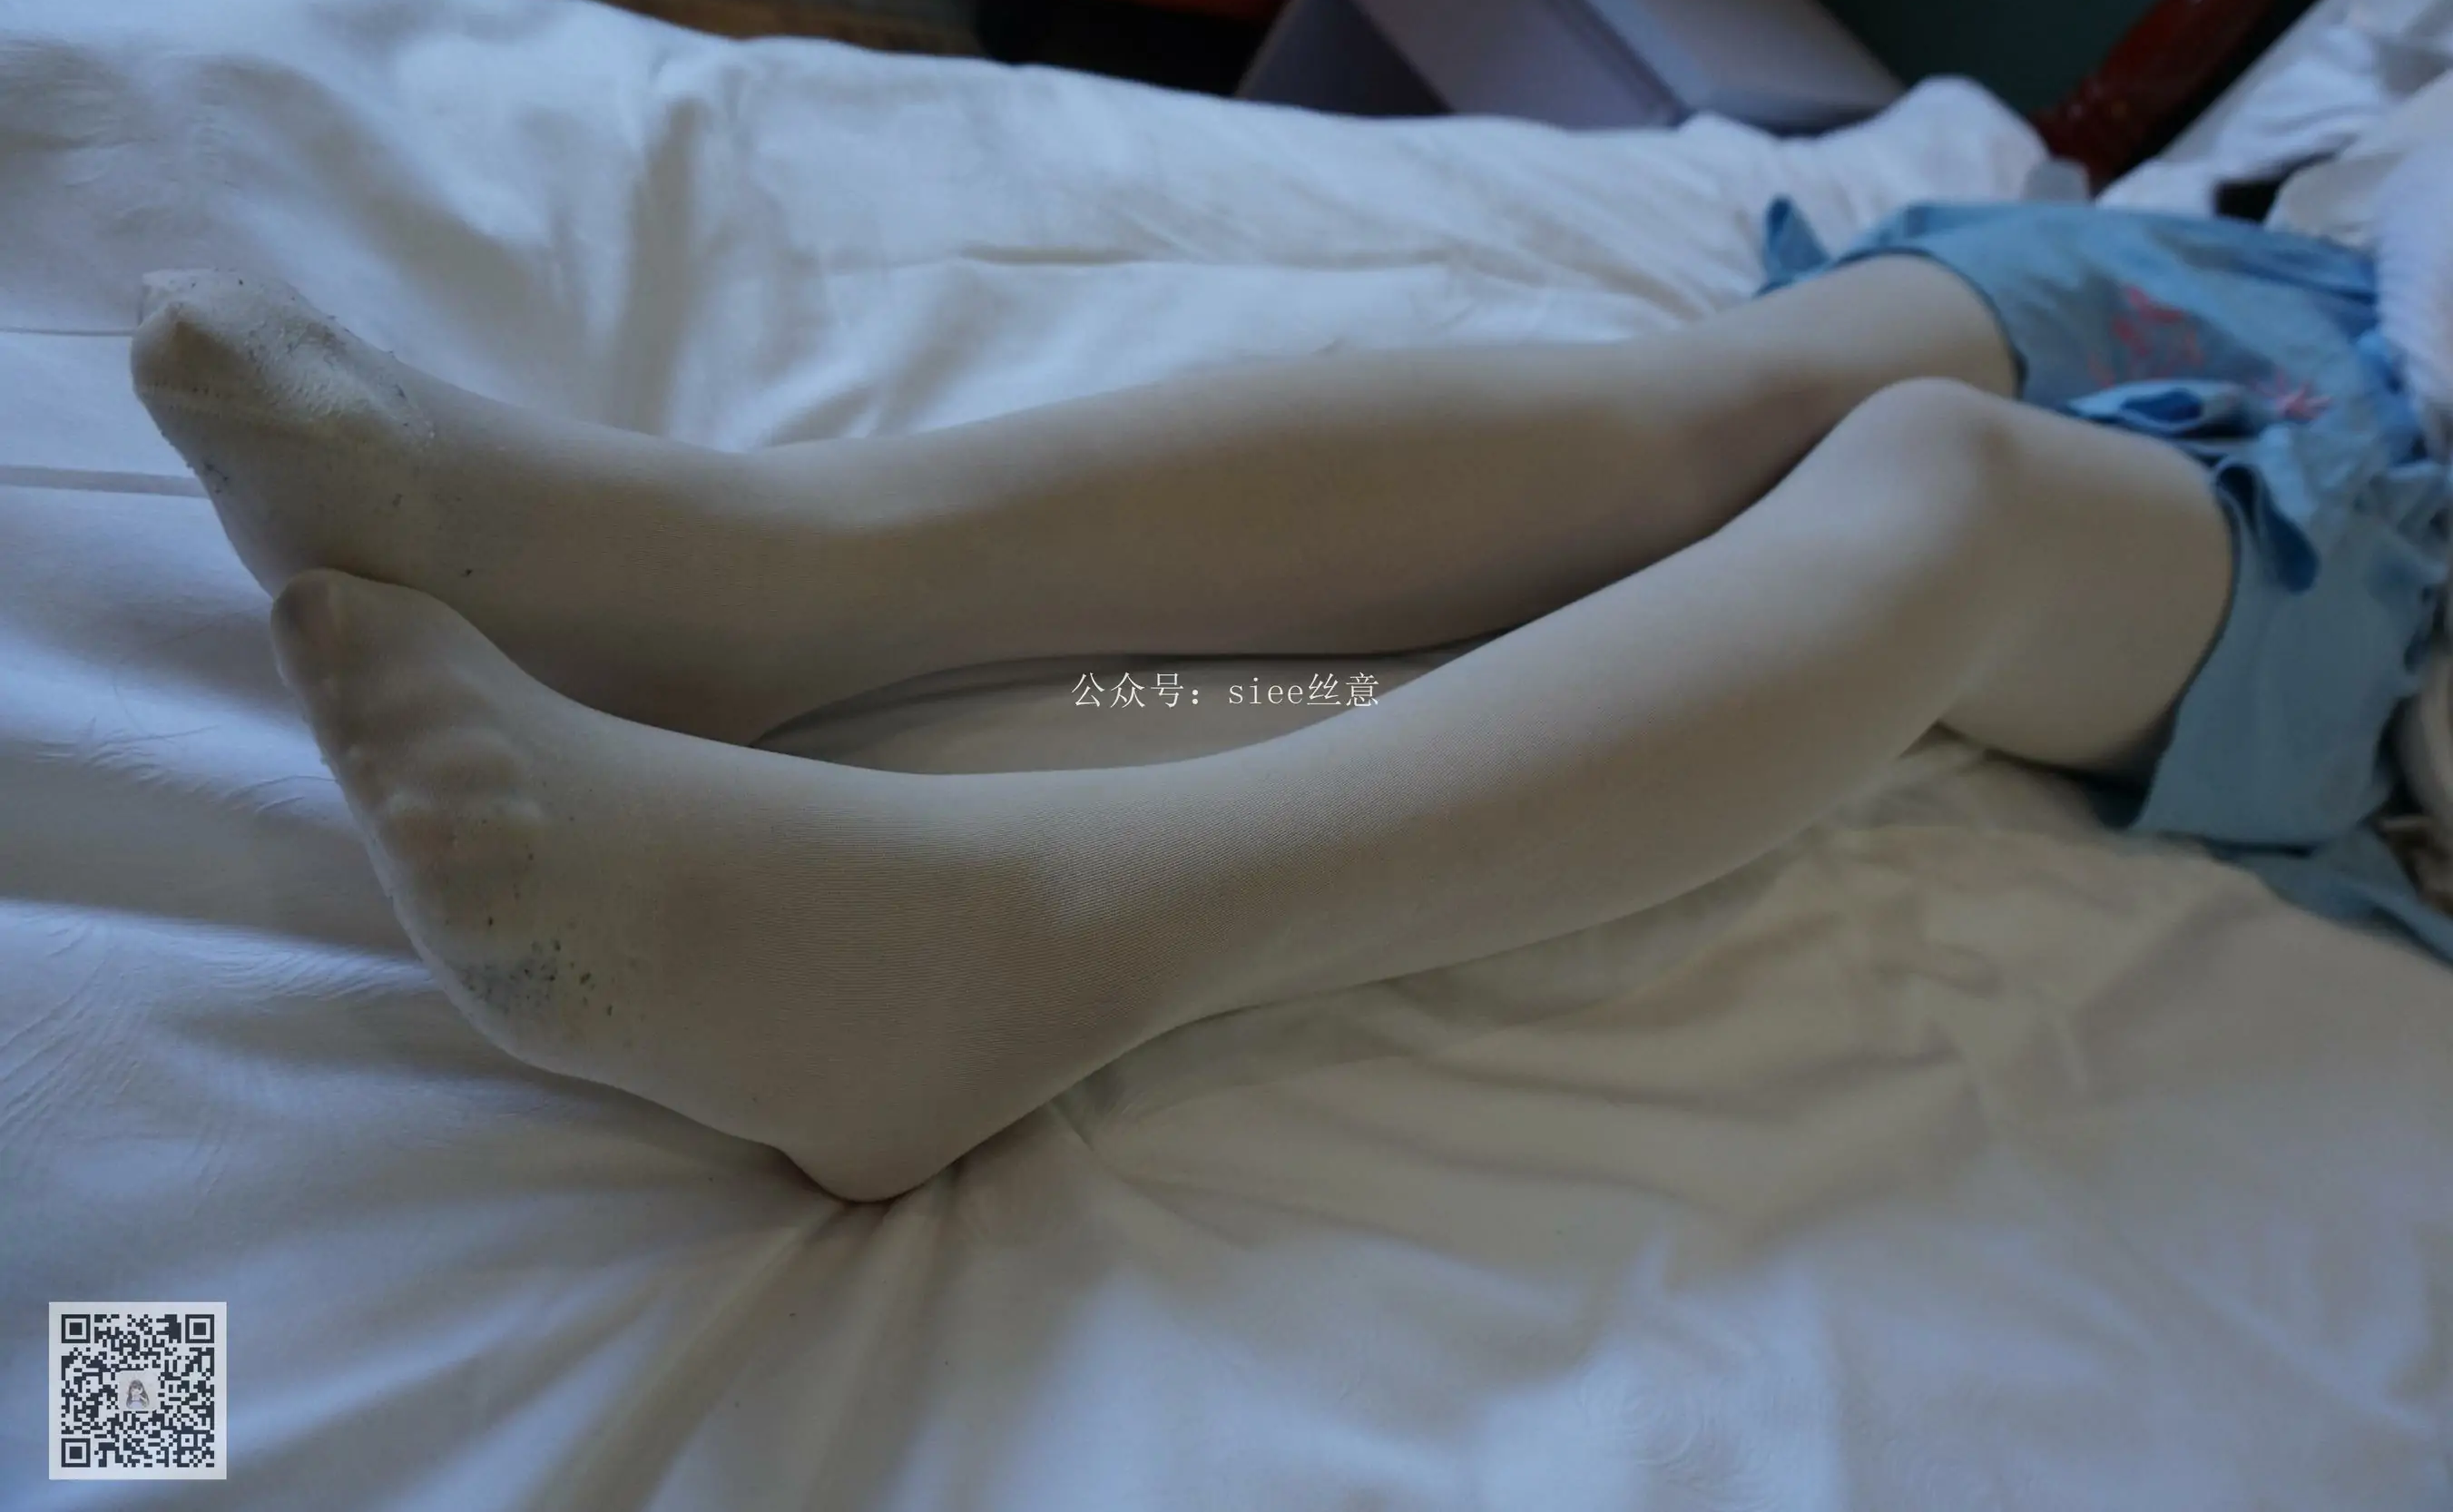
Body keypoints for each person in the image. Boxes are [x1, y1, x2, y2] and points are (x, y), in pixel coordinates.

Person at [127, 197, 2448, 1202]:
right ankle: (734, 587)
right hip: (2320, 296)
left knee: (1951, 495)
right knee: (1729, 400)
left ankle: (1028, 940)